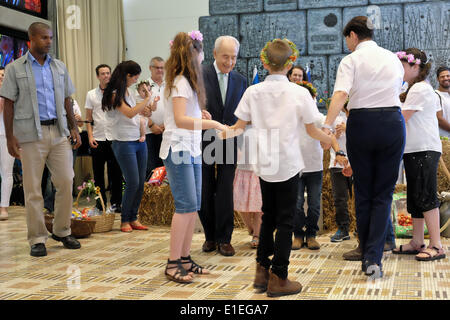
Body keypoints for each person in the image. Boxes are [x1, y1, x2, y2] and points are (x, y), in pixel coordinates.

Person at [221, 39, 347, 297]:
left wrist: (213, 127)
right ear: (291, 64)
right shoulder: (299, 93)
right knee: (286, 221)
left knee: (268, 216)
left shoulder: (252, 92)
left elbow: (237, 127)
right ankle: (280, 276)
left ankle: (261, 271)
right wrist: (333, 141)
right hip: (288, 163)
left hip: (264, 163)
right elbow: (312, 131)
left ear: (264, 62)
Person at [322, 16, 405, 278]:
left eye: (346, 38)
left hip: (363, 124)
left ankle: (367, 252)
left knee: (363, 191)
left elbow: (341, 94)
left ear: (353, 36)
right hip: (392, 122)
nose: (347, 43)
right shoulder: (392, 58)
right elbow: (398, 89)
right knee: (383, 194)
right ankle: (373, 258)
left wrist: (327, 123)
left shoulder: (351, 60)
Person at [0, 22, 82, 257]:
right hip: (29, 136)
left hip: (58, 133)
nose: (49, 41)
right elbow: (8, 105)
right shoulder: (15, 68)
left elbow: (67, 99)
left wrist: (74, 128)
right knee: (33, 189)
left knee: (66, 181)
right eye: (44, 38)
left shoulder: (59, 67)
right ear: (32, 39)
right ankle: (37, 238)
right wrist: (10, 137)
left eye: (51, 37)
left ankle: (62, 230)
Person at [160, 31, 226, 283]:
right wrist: (213, 124)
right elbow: (179, 120)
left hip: (192, 148)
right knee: (186, 206)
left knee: (193, 205)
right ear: (190, 56)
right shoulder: (179, 81)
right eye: (199, 55)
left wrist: (203, 114)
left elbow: (187, 112)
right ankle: (172, 262)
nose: (201, 61)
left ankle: (185, 259)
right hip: (179, 148)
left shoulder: (188, 83)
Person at [392, 49, 446, 261]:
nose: (399, 71)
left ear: (416, 67)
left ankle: (437, 245)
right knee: (415, 198)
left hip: (423, 149)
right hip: (414, 149)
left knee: (426, 195)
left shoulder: (421, 89)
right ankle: (417, 241)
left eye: (403, 66)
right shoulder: (411, 88)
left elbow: (401, 118)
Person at [200, 35, 248, 257]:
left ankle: (224, 238)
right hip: (204, 138)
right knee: (206, 188)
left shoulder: (241, 79)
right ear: (214, 54)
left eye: (233, 57)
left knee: (225, 189)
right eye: (225, 57)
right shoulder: (200, 75)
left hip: (230, 140)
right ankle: (210, 236)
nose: (229, 62)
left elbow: (243, 113)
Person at [102, 60, 154, 233]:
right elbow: (129, 112)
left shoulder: (130, 92)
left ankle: (133, 217)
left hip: (139, 140)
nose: (136, 80)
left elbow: (138, 112)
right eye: (135, 77)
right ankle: (124, 219)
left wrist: (147, 108)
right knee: (132, 181)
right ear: (127, 76)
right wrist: (146, 99)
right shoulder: (114, 93)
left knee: (140, 182)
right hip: (123, 142)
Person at [290, 80, 325, 251]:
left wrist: (333, 132)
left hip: (314, 167)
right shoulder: (290, 119)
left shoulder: (318, 118)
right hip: (295, 167)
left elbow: (328, 135)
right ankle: (297, 234)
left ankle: (311, 234)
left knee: (314, 204)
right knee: (295, 204)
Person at [86, 64, 123, 213]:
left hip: (114, 138)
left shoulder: (117, 93)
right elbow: (88, 119)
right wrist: (90, 136)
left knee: (116, 173)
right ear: (98, 76)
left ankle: (116, 204)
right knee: (98, 174)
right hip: (98, 139)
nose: (106, 76)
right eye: (103, 74)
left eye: (108, 73)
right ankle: (100, 204)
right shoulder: (91, 95)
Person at [41, 98, 83, 214]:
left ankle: (64, 206)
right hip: (57, 140)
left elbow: (80, 124)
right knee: (52, 177)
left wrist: (78, 120)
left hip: (71, 141)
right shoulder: (51, 102)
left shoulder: (73, 102)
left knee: (68, 175)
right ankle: (49, 205)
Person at [233, 124, 263, 249]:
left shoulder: (262, 126)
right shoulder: (239, 127)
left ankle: (256, 234)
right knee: (240, 203)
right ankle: (250, 227)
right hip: (242, 170)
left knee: (258, 207)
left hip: (258, 171)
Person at [329, 104, 353, 242]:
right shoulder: (333, 118)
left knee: (358, 198)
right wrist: (336, 135)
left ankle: (359, 227)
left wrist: (347, 128)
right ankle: (343, 228)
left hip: (355, 162)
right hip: (337, 162)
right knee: (340, 198)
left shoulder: (357, 117)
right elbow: (327, 138)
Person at [144, 57, 166, 179]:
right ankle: (151, 197)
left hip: (166, 131)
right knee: (150, 167)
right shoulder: (143, 86)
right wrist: (152, 125)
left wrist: (165, 125)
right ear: (150, 68)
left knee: (165, 166)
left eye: (162, 67)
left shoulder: (169, 85)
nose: (160, 70)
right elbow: (140, 110)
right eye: (157, 67)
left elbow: (174, 109)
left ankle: (164, 197)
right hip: (149, 132)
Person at [0, 66, 15, 221]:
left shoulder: (12, 93)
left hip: (7, 135)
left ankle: (4, 207)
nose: (1, 77)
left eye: (3, 75)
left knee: (6, 172)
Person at [436, 66, 450, 137]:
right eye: (442, 77)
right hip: (443, 139)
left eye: (448, 76)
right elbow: (439, 119)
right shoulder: (435, 95)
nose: (446, 78)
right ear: (437, 79)